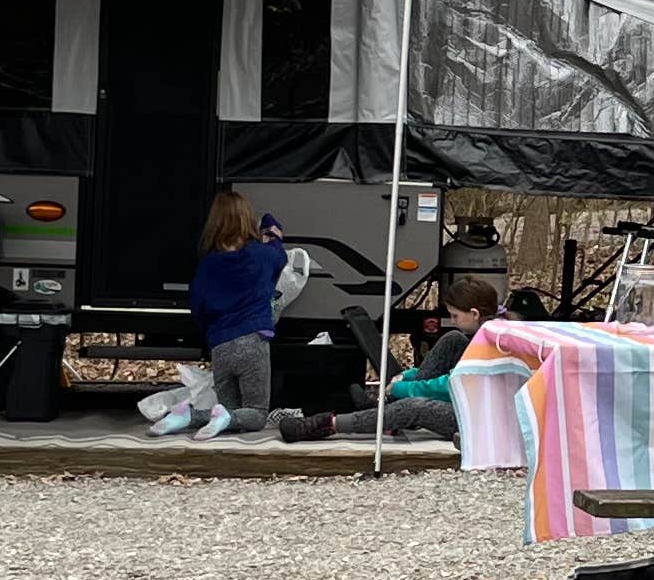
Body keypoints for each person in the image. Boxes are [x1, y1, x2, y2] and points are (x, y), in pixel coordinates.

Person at [275, 274, 498, 440]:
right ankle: (387, 409)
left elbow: (453, 384)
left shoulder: (491, 344)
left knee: (415, 406)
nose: (453, 319)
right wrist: (408, 377)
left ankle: (327, 424)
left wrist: (403, 388)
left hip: (475, 421)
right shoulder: (483, 332)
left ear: (475, 314)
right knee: (453, 338)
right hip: (471, 404)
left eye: (456, 315)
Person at [168, 188, 285, 439]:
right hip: (253, 342)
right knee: (255, 415)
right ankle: (192, 417)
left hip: (220, 344)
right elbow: (279, 256)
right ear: (246, 219)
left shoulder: (209, 263)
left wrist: (211, 333)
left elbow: (197, 306)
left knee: (228, 414)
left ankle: (187, 415)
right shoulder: (261, 255)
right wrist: (273, 232)